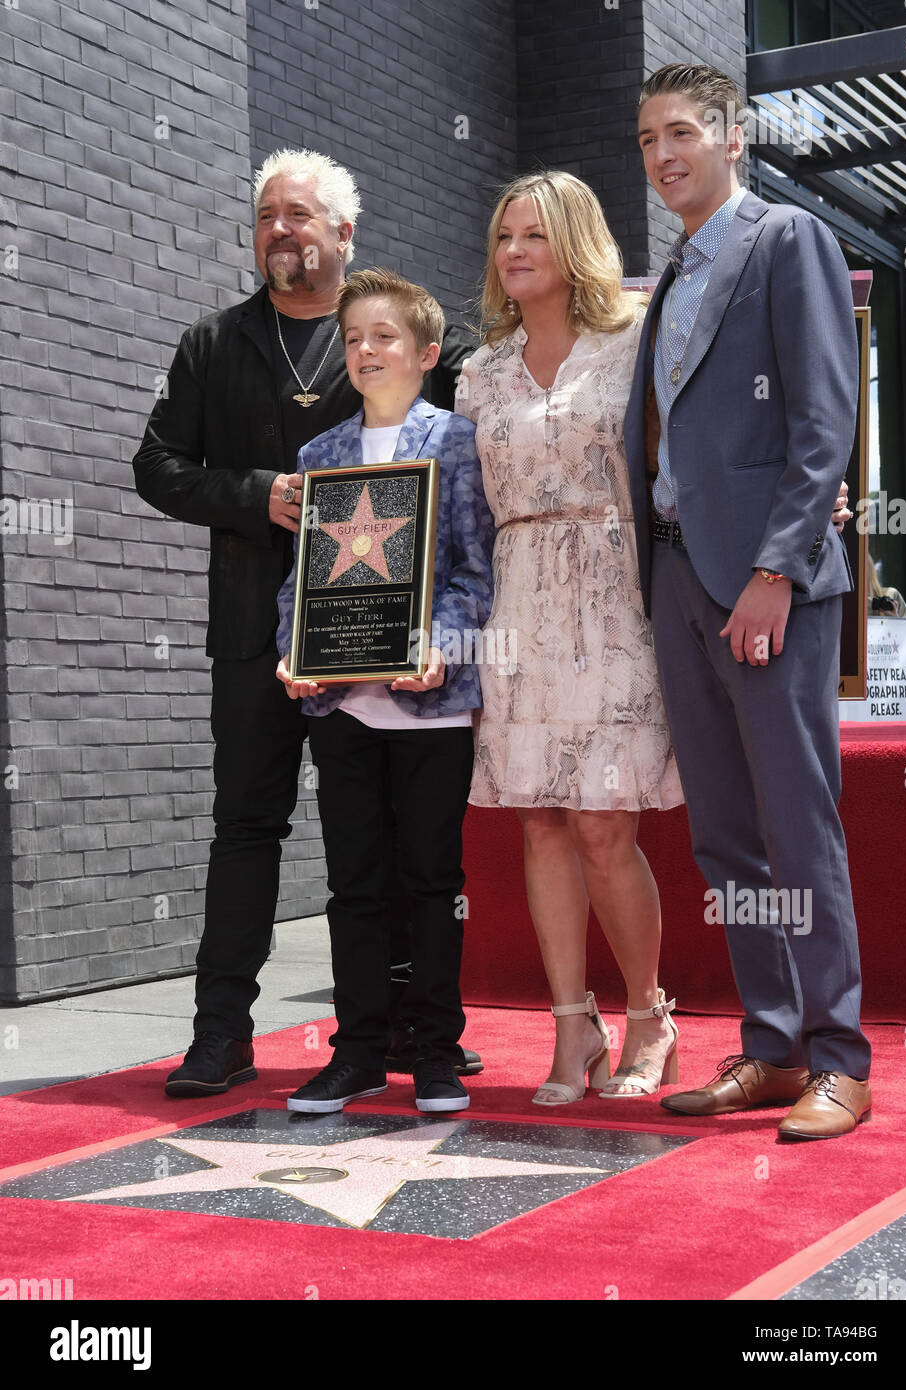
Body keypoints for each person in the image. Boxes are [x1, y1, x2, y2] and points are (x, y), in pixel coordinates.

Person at [132, 149, 481, 1097]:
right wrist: (258, 494)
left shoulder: (393, 338)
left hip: (377, 648)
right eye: (265, 218)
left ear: (343, 233)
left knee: (387, 840)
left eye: (299, 215)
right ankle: (219, 1034)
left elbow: (477, 437)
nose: (280, 232)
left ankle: (408, 1031)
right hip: (256, 636)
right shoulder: (212, 343)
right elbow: (156, 466)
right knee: (246, 828)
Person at [625, 63, 871, 1139]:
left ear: (734, 138)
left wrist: (776, 569)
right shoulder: (672, 275)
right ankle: (769, 1044)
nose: (663, 154)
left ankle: (839, 1055)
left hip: (768, 587)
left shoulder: (787, 242)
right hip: (678, 572)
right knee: (725, 834)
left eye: (682, 132)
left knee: (796, 823)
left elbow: (824, 422)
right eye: (646, 140)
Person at [457, 172, 686, 1105]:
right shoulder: (478, 372)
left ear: (577, 243)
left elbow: (687, 459)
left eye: (535, 236)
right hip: (515, 608)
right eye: (504, 235)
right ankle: (569, 1028)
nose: (514, 251)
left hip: (615, 595)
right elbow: (458, 512)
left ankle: (648, 1016)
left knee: (602, 824)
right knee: (539, 821)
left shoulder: (634, 345)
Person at [275, 269, 494, 1114]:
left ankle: (434, 1050)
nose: (365, 351)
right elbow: (302, 580)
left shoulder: (457, 443)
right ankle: (358, 1050)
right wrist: (291, 650)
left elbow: (475, 573)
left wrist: (442, 644)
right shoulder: (318, 455)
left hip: (431, 701)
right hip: (341, 704)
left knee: (433, 881)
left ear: (427, 352)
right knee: (353, 885)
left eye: (384, 337)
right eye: (354, 338)